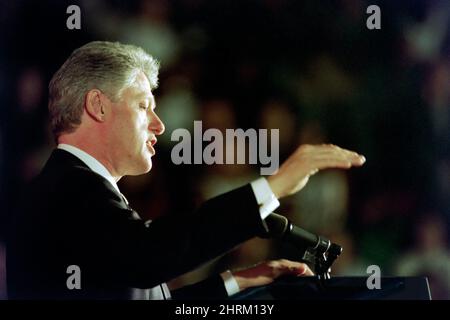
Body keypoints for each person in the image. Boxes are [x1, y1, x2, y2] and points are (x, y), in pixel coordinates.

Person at [6, 41, 365, 300]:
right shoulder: (68, 188)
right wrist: (274, 186)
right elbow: (148, 258)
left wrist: (237, 282)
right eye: (144, 106)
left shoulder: (74, 185)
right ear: (98, 105)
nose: (159, 125)